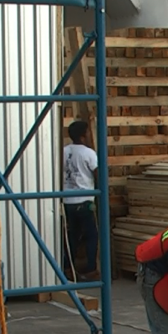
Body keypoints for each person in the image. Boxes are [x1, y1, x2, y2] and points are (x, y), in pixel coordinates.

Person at [62, 120, 99, 280]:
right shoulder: (88, 153)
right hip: (85, 200)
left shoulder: (63, 151)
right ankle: (91, 269)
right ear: (84, 135)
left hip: (67, 201)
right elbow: (98, 174)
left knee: (72, 235)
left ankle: (68, 267)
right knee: (92, 235)